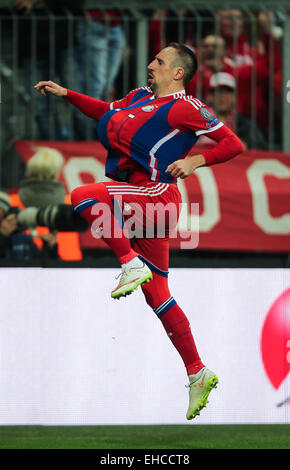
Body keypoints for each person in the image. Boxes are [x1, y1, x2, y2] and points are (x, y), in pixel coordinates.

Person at [34, 42, 244, 420]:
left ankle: (129, 261)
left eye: (160, 61)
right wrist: (67, 95)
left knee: (83, 195)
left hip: (156, 194)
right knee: (158, 293)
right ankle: (197, 370)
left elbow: (233, 143)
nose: (151, 65)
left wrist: (196, 159)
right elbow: (106, 111)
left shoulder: (186, 106)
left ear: (178, 72)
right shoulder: (139, 96)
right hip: (141, 197)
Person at [204, 72, 267, 150]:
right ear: (210, 96)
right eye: (218, 91)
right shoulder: (195, 121)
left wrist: (246, 145)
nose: (222, 97)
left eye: (227, 92)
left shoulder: (245, 125)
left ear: (234, 97)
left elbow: (260, 149)